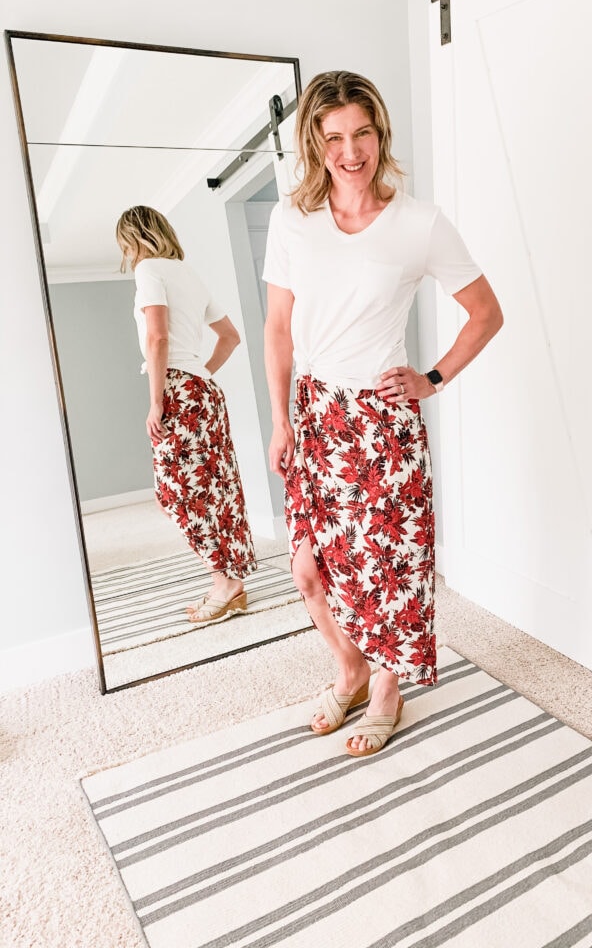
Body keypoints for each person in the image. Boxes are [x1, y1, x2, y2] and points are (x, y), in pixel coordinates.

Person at [263, 71, 502, 757]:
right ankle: (351, 669)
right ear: (314, 141)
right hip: (315, 418)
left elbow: (486, 314)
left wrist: (431, 378)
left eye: (361, 132)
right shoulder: (292, 221)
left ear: (380, 133)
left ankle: (389, 691)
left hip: (380, 422)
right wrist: (281, 420)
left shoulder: (417, 223)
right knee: (309, 568)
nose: (350, 151)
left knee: (387, 571)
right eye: (333, 136)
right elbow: (279, 329)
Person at [116, 205, 258, 624]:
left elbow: (158, 338)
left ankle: (226, 583)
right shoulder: (187, 273)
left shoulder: (148, 271)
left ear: (132, 239)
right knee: (215, 488)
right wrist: (201, 375)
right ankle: (229, 581)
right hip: (205, 391)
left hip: (178, 390)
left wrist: (158, 400)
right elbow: (229, 338)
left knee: (175, 492)